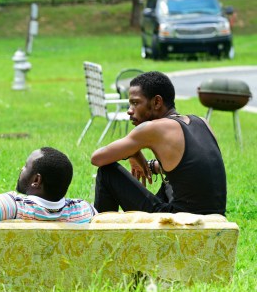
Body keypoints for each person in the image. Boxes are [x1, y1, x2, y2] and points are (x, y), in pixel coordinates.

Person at [91, 71, 226, 215]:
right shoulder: (202, 122)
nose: (130, 111)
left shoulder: (154, 128)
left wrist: (133, 151)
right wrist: (150, 166)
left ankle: (103, 234)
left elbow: (97, 158)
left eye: (135, 103)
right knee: (168, 181)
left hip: (181, 222)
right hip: (215, 217)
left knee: (107, 172)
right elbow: (191, 169)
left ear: (157, 102)